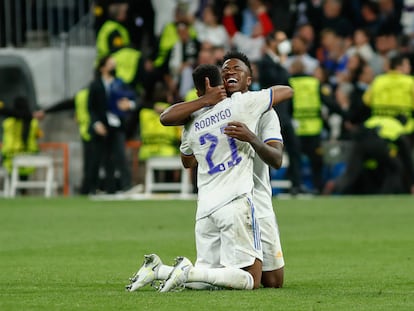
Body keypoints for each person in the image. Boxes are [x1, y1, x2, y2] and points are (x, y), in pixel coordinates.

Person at [127, 52, 293, 291]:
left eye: (237, 69)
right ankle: (180, 271)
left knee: (272, 281)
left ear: (249, 81)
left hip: (250, 199)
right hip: (238, 199)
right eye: (225, 70)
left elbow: (276, 159)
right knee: (249, 280)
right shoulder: (227, 107)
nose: (230, 73)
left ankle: (161, 270)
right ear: (218, 82)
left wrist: (251, 138)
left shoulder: (264, 111)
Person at [88, 56, 136, 194]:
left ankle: (126, 185)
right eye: (110, 64)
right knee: (100, 157)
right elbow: (91, 107)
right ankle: (98, 188)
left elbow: (134, 98)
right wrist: (96, 123)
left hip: (117, 124)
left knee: (120, 155)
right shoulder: (95, 85)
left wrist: (129, 105)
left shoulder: (120, 83)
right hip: (102, 125)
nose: (113, 67)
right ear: (102, 67)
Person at [1, 97, 41, 185]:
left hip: (10, 157)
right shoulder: (34, 122)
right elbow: (39, 135)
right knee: (24, 178)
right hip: (29, 157)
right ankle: (23, 192)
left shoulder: (7, 122)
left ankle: (13, 191)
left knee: (11, 178)